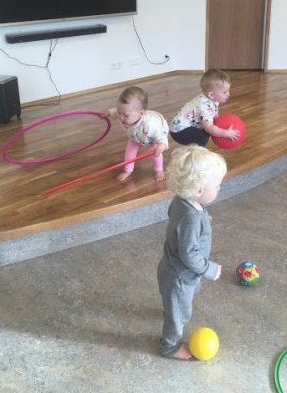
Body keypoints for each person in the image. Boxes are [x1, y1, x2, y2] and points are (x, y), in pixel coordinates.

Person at [157, 145, 227, 359]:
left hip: (171, 269)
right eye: (217, 185)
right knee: (179, 315)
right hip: (180, 276)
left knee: (181, 298)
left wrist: (202, 219)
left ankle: (171, 307)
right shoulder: (191, 217)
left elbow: (175, 216)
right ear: (198, 190)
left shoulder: (182, 200)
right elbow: (189, 254)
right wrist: (209, 269)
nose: (220, 188)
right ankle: (170, 347)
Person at [103, 86, 169, 182]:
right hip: (136, 136)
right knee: (129, 152)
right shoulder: (124, 112)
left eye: (125, 115)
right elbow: (118, 111)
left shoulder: (150, 125)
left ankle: (159, 170)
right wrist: (109, 113)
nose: (121, 117)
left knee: (155, 153)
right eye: (119, 113)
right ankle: (128, 170)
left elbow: (162, 138)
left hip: (152, 138)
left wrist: (161, 146)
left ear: (141, 113)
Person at [169, 69, 240, 147]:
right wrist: (225, 133)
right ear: (211, 95)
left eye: (228, 91)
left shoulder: (212, 99)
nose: (228, 94)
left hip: (181, 125)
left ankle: (194, 149)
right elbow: (209, 127)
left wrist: (219, 125)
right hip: (179, 131)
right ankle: (197, 152)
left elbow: (214, 116)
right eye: (225, 92)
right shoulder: (205, 107)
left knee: (205, 130)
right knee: (203, 137)